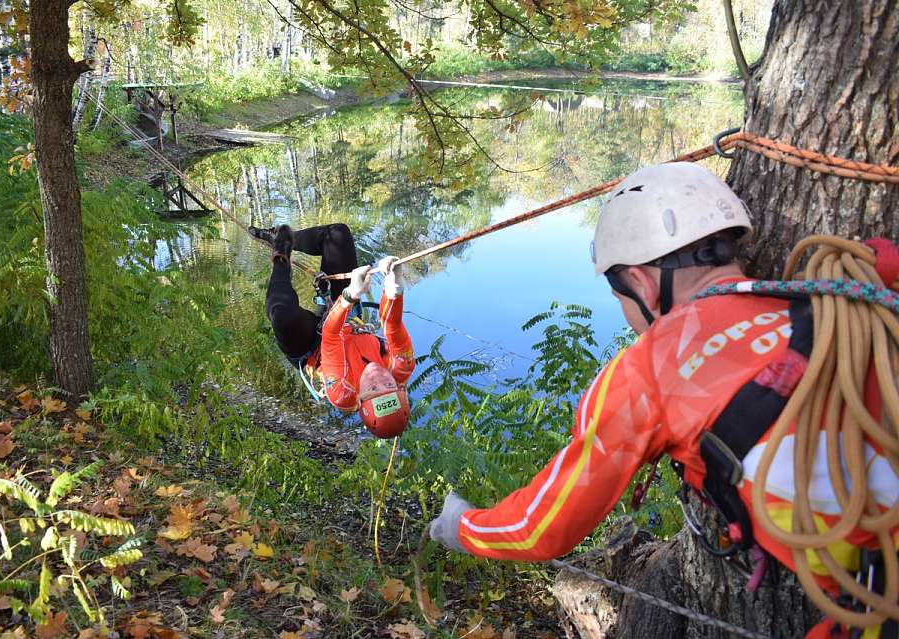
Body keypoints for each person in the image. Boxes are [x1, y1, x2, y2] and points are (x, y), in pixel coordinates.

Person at [427, 162, 899, 638]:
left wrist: (461, 526)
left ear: (642, 283)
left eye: (619, 297)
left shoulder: (644, 371)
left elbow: (542, 525)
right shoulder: (828, 303)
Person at [250, 223, 415, 438]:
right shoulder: (402, 365)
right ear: (399, 386)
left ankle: (281, 252)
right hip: (348, 323)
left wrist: (350, 295)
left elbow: (330, 337)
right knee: (338, 235)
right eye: (388, 384)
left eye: (374, 390)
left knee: (282, 317)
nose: (379, 377)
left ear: (360, 399)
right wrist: (394, 284)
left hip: (311, 347)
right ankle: (289, 238)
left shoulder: (342, 393)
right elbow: (392, 325)